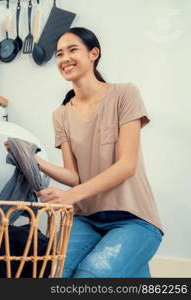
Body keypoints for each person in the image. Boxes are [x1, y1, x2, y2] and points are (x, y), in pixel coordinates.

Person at [35, 27, 163, 277]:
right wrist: (34, 161)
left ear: (94, 53)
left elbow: (127, 165)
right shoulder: (60, 114)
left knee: (90, 276)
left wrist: (71, 195)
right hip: (87, 217)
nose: (64, 59)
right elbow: (73, 175)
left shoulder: (124, 94)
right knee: (52, 272)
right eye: (59, 54)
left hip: (133, 218)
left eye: (73, 50)